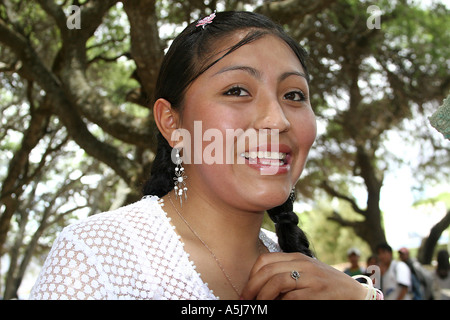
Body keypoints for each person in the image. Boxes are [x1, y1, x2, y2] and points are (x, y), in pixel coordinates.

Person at [30, 11, 377, 300]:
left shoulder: (314, 281)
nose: (278, 119)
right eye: (237, 90)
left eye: (295, 95)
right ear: (172, 121)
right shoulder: (97, 258)